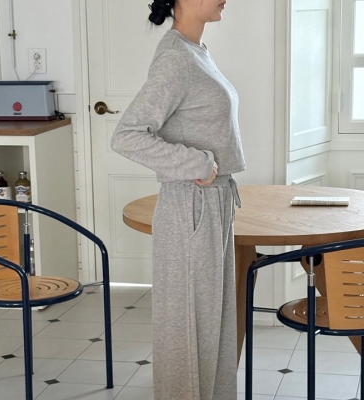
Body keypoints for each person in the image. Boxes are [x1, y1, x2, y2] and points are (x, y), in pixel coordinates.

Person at [111, 0, 246, 398]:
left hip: (211, 203)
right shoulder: (176, 58)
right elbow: (126, 136)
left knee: (213, 328)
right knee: (189, 329)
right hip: (192, 206)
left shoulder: (195, 52)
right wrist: (196, 163)